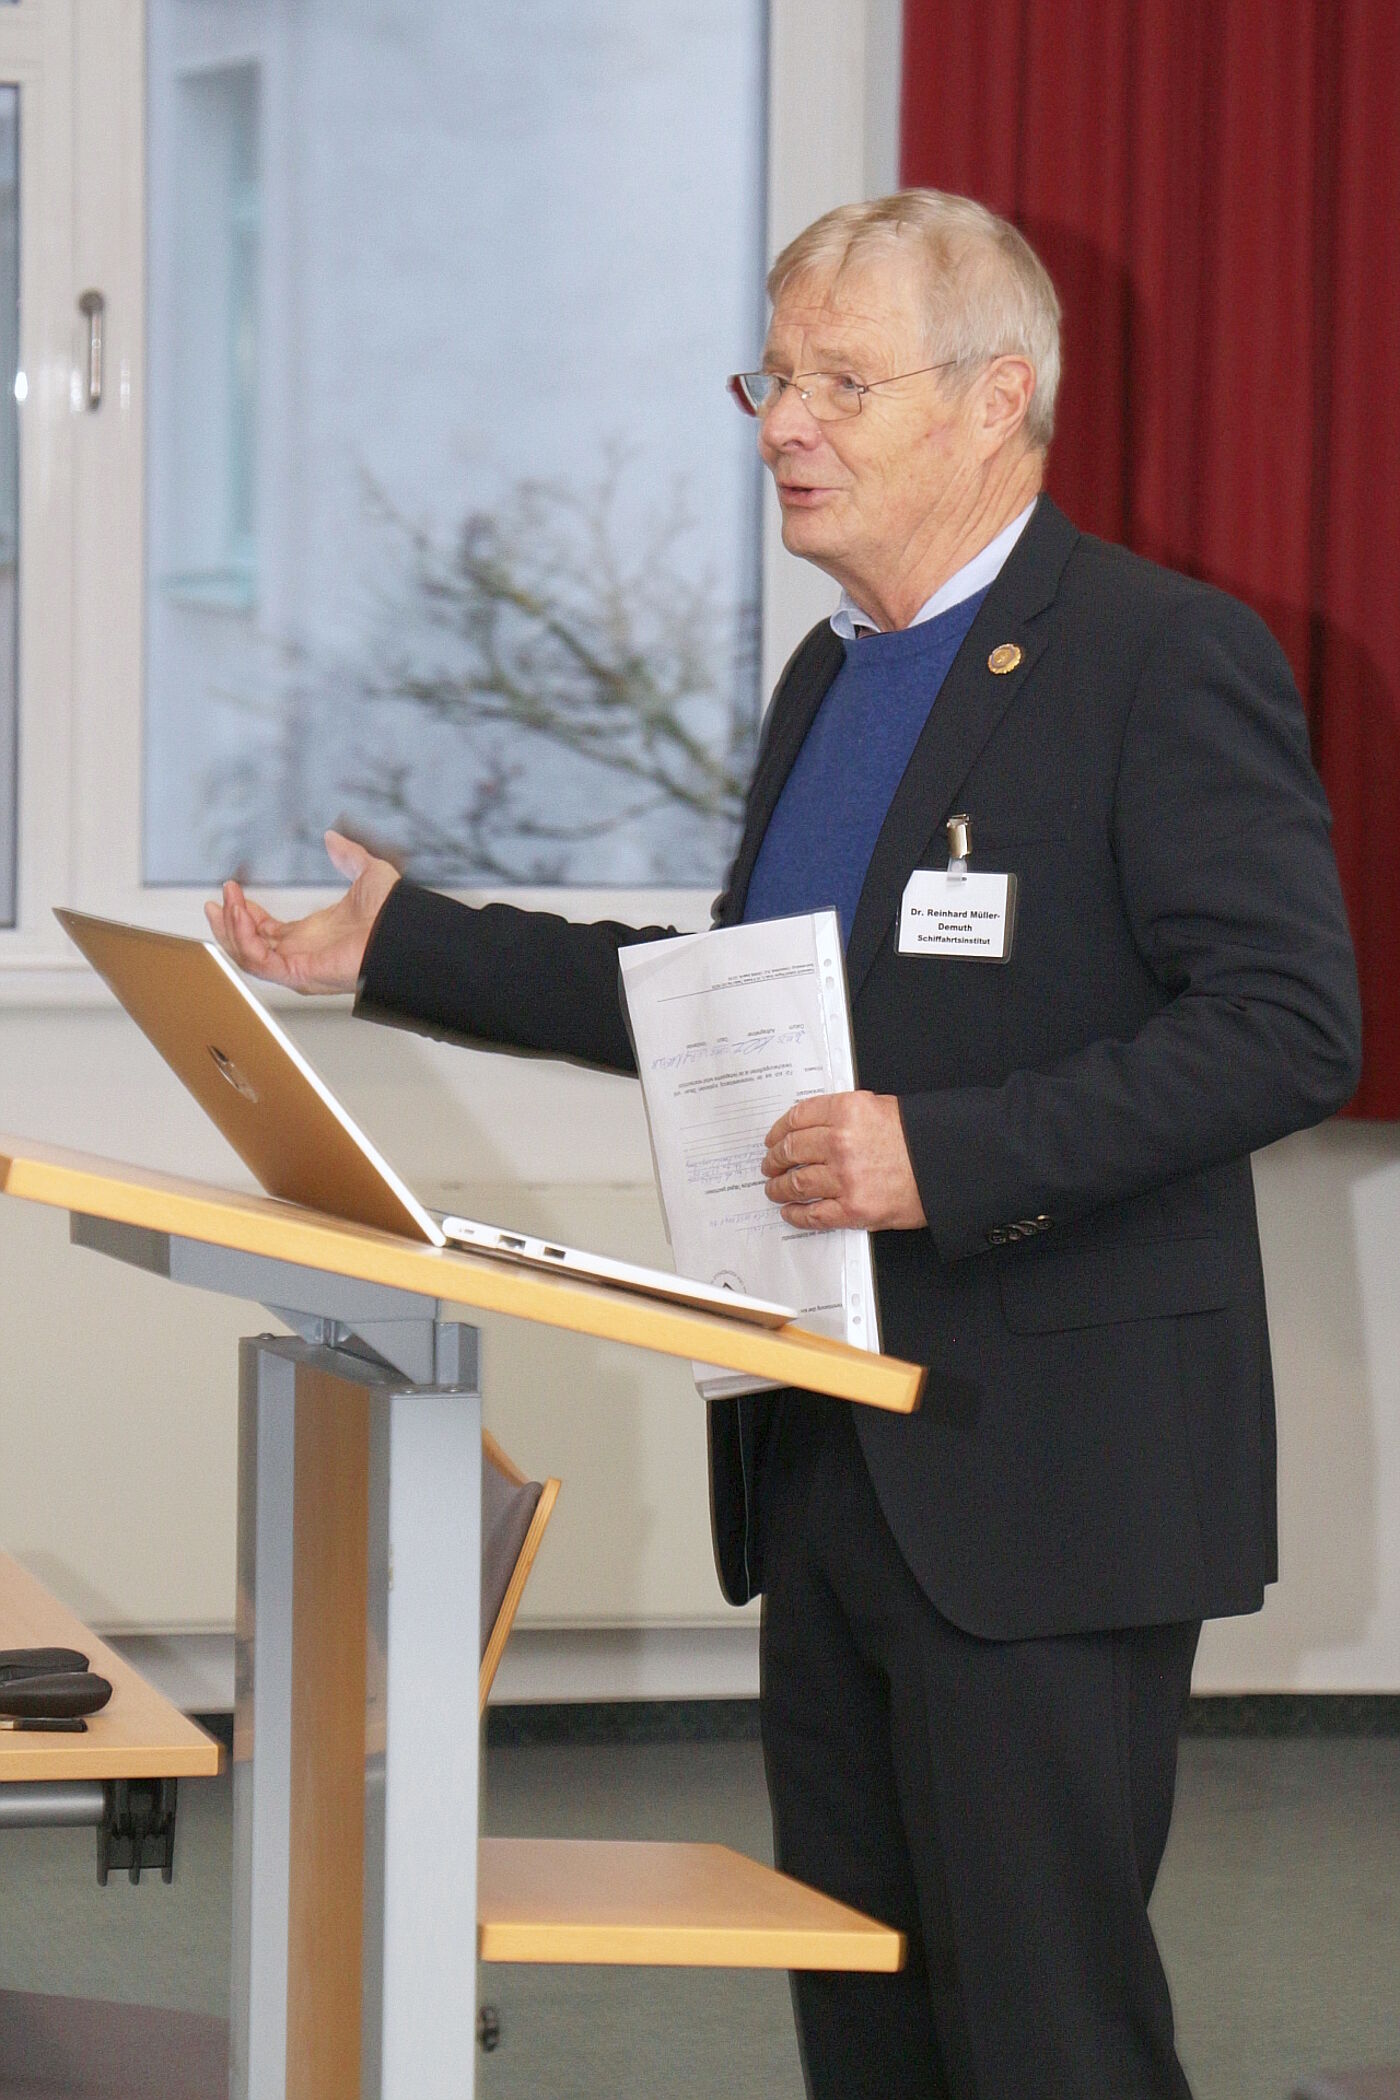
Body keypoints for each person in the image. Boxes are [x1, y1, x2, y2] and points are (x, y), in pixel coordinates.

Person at [208, 192, 1362, 2099]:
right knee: (866, 2014)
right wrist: (406, 947)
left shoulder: (1159, 658)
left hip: (1046, 1474)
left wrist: (945, 1155)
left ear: (998, 399)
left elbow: (1289, 1028)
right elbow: (727, 1014)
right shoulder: (834, 677)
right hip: (825, 1445)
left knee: (1049, 2032)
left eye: (842, 382)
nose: (785, 426)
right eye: (771, 379)